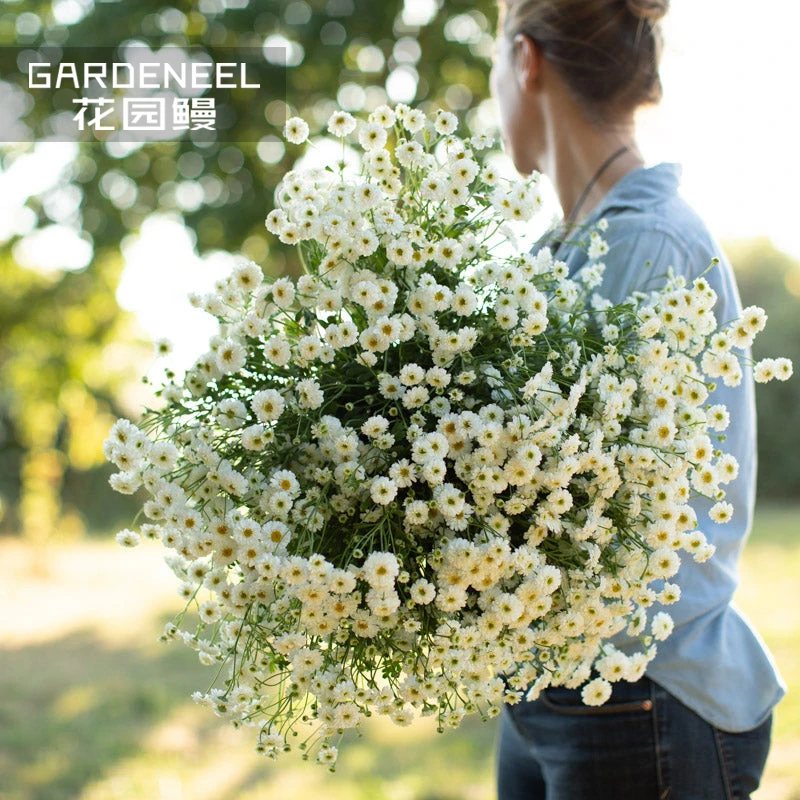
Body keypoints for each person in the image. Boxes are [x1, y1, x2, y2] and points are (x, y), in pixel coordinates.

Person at [489, 1, 786, 797]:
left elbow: (562, 491)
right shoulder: (564, 249)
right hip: (553, 685)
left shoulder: (643, 244)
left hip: (638, 696)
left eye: (494, 67)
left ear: (527, 62)